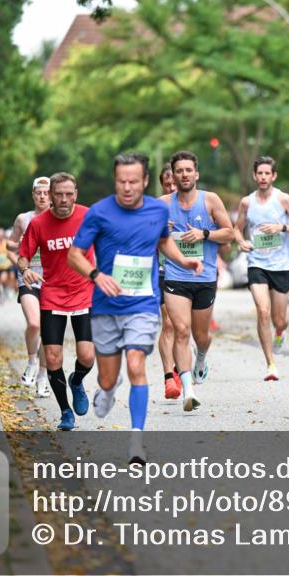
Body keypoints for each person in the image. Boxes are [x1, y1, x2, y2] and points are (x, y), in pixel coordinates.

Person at [68, 152, 203, 464]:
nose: (126, 187)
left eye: (133, 181)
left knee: (136, 364)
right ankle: (107, 389)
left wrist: (183, 260)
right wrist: (96, 275)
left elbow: (164, 241)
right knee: (107, 377)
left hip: (142, 303)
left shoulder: (158, 210)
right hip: (105, 306)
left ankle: (136, 441)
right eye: (120, 181)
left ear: (145, 181)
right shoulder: (99, 213)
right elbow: (74, 254)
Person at [18, 173, 96, 431]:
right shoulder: (39, 224)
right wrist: (25, 269)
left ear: (76, 194)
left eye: (68, 194)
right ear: (50, 195)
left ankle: (77, 380)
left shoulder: (88, 216)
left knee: (87, 355)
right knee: (52, 357)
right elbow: (22, 256)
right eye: (58, 194)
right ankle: (65, 411)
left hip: (84, 292)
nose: (63, 199)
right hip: (52, 294)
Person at [159, 151, 234, 409]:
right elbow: (143, 235)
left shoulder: (210, 200)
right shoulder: (162, 204)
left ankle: (201, 356)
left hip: (204, 277)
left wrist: (204, 233)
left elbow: (229, 233)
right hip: (175, 275)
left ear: (196, 174)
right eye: (179, 171)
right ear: (174, 175)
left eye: (188, 170)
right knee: (180, 330)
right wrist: (160, 229)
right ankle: (187, 390)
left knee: (201, 336)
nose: (184, 175)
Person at [233, 156, 289, 381]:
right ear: (254, 176)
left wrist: (281, 227)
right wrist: (241, 242)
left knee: (279, 319)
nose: (263, 177)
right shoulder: (247, 202)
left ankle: (280, 332)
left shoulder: (283, 199)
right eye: (260, 173)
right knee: (263, 311)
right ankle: (271, 364)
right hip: (257, 262)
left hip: (280, 265)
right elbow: (237, 228)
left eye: (267, 173)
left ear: (273, 176)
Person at [8, 177, 52, 393]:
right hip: (27, 276)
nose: (42, 196)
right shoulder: (23, 219)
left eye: (46, 192)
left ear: (51, 195)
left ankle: (43, 376)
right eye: (38, 192)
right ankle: (32, 362)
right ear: (33, 194)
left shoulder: (58, 219)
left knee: (47, 330)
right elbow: (9, 247)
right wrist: (22, 268)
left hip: (51, 279)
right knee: (34, 323)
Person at [156, 163, 177, 389]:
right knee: (168, 323)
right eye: (167, 183)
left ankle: (184, 363)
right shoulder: (156, 208)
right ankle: (169, 375)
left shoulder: (195, 205)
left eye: (174, 183)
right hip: (164, 271)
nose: (171, 187)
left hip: (191, 275)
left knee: (185, 327)